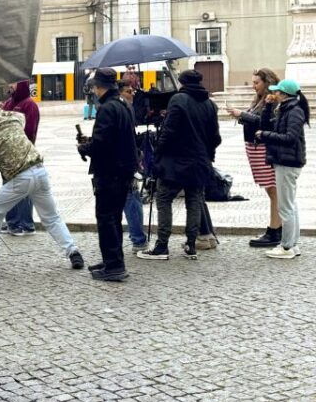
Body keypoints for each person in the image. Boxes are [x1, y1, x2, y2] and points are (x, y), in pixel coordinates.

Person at [0, 110, 84, 269]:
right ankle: (73, 252)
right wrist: (4, 113)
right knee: (52, 217)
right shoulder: (13, 121)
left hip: (19, 178)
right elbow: (22, 116)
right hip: (40, 171)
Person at [138, 69, 221, 261]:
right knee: (193, 201)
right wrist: (206, 153)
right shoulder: (210, 104)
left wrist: (158, 152)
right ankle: (191, 245)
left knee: (163, 199)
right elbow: (215, 137)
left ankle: (162, 246)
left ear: (182, 82)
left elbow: (169, 131)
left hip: (175, 162)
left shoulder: (178, 100)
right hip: (200, 162)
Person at [77, 68, 138, 281]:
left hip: (110, 171)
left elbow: (102, 143)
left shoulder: (107, 108)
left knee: (106, 218)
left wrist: (85, 148)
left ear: (98, 86)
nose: (93, 90)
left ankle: (114, 266)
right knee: (114, 217)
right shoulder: (123, 104)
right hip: (124, 169)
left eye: (94, 86)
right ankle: (112, 259)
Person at [226, 68, 281, 248]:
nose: (253, 86)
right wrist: (241, 116)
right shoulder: (259, 99)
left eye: (256, 83)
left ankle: (275, 231)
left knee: (273, 190)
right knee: (270, 190)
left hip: (263, 147)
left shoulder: (271, 100)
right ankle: (274, 228)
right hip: (254, 146)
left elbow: (263, 123)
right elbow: (255, 118)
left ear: (267, 83)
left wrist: (241, 114)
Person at [255, 79, 309, 259]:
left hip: (288, 162)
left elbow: (290, 138)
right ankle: (292, 244)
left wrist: (265, 135)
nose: (274, 94)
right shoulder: (286, 109)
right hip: (286, 161)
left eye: (277, 92)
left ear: (284, 94)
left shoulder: (294, 111)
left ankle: (286, 247)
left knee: (285, 207)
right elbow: (266, 125)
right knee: (290, 205)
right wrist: (268, 108)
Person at [1, 79, 39, 236]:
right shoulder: (9, 102)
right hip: (7, 154)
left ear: (22, 85)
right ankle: (12, 222)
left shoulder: (29, 105)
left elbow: (29, 130)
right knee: (8, 188)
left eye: (14, 83)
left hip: (22, 154)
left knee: (23, 189)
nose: (11, 85)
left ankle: (26, 224)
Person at [117, 80, 148, 253]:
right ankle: (138, 238)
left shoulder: (127, 107)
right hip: (131, 158)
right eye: (128, 91)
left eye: (132, 91)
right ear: (120, 92)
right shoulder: (125, 107)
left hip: (128, 160)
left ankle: (138, 238)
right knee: (133, 199)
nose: (132, 94)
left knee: (132, 199)